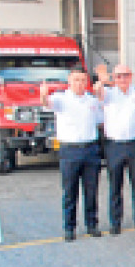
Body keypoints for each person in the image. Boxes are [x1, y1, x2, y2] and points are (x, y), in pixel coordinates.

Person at [40, 66, 102, 241]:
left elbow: (100, 120)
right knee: (70, 191)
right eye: (76, 80)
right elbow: (47, 104)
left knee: (91, 190)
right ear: (69, 81)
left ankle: (92, 224)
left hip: (90, 149)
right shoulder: (61, 98)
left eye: (83, 80)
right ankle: (69, 227)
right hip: (70, 150)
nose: (80, 84)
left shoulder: (92, 100)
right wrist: (43, 95)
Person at [96, 64, 135, 235]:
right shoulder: (109, 93)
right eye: (118, 76)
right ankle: (115, 222)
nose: (122, 79)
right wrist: (102, 80)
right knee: (115, 186)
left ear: (131, 76)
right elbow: (98, 92)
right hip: (114, 145)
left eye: (125, 75)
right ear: (113, 78)